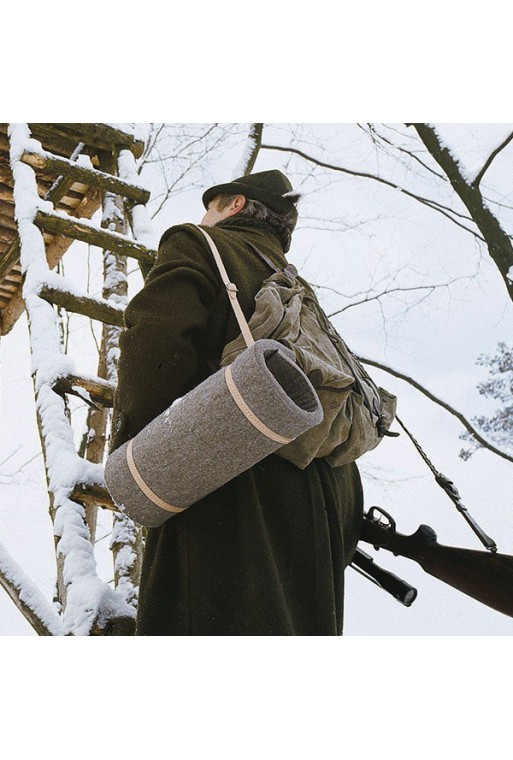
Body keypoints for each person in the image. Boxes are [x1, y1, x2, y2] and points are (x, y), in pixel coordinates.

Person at [109, 169, 364, 635]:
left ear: (236, 206)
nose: (203, 218)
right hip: (322, 512)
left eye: (211, 207)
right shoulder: (305, 296)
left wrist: (135, 456)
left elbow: (155, 343)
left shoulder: (201, 244)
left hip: (226, 484)